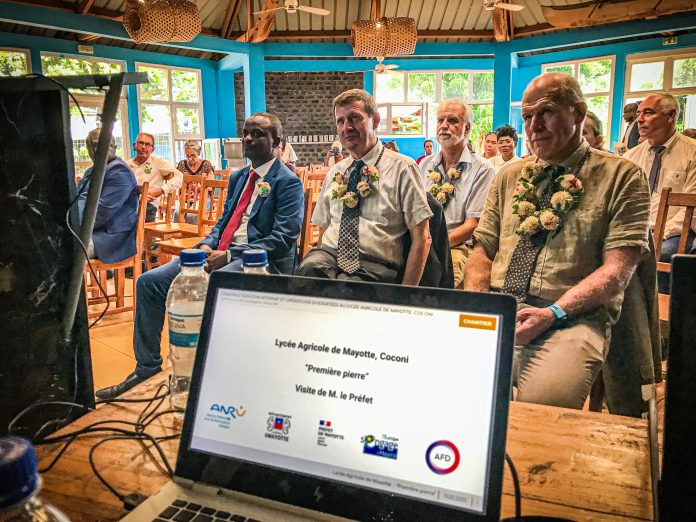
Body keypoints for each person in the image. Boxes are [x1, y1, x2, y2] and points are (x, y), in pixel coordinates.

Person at [465, 72, 650, 410]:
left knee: (541, 408)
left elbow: (617, 271)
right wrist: (481, 307)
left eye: (546, 112)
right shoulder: (509, 175)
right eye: (527, 117)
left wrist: (554, 312)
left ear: (578, 113)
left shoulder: (622, 176)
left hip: (571, 318)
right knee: (450, 391)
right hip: (500, 308)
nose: (533, 126)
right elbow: (482, 250)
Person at [96, 113, 305, 399]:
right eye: (245, 133)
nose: (247, 139)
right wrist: (207, 245)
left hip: (259, 262)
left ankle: (212, 378)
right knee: (149, 281)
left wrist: (230, 253)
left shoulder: (287, 181)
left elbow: (282, 239)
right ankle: (146, 368)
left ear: (277, 142)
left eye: (257, 134)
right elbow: (223, 222)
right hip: (218, 253)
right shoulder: (240, 177)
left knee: (218, 281)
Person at [297, 89, 432, 285]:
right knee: (306, 273)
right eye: (340, 121)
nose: (346, 127)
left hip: (375, 264)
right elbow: (324, 228)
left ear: (375, 121)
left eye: (354, 118)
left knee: (348, 287)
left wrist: (406, 297)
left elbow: (422, 238)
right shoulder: (335, 171)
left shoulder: (403, 168)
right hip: (330, 256)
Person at [624, 93, 696, 293]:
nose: (639, 119)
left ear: (671, 115)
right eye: (639, 113)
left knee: (661, 254)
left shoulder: (692, 153)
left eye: (648, 113)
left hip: (676, 232)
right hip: (638, 229)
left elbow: (691, 211)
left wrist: (658, 236)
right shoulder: (631, 157)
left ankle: (661, 313)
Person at [419, 99, 495, 288]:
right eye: (440, 121)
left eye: (452, 121)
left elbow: (472, 225)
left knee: (440, 284)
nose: (444, 126)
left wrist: (434, 245)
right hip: (422, 243)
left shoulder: (482, 168)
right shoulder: (425, 165)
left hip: (456, 245)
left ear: (467, 128)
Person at [77, 128, 138, 263]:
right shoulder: (91, 171)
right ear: (87, 149)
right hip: (89, 232)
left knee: (61, 254)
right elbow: (75, 201)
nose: (100, 149)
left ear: (114, 148)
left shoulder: (119, 172)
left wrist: (71, 226)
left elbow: (101, 213)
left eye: (105, 145)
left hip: (109, 239)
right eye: (95, 145)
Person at [128, 133, 183, 222]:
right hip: (129, 203)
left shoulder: (157, 162)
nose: (143, 147)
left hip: (147, 205)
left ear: (152, 149)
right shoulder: (126, 165)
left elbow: (180, 177)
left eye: (147, 144)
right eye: (141, 143)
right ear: (134, 146)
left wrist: (161, 190)